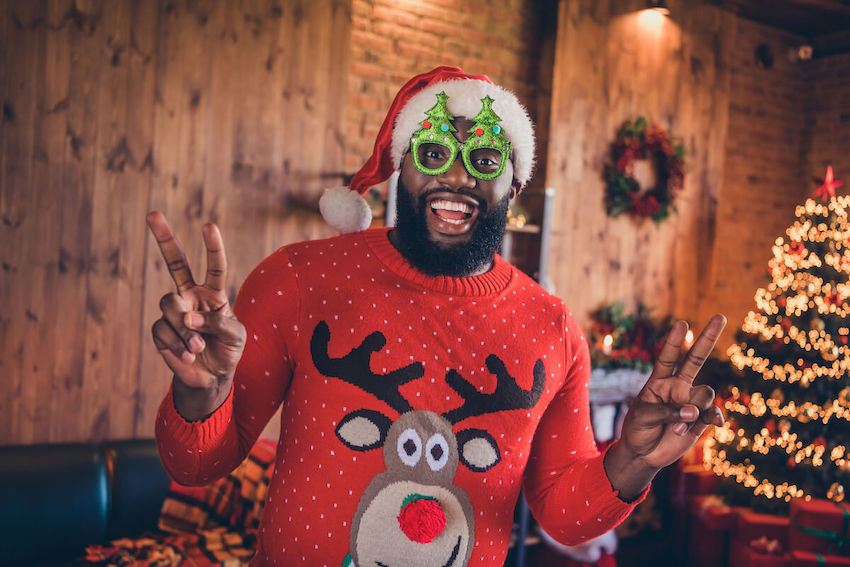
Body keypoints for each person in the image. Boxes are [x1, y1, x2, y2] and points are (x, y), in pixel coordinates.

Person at [148, 66, 726, 567]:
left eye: (483, 158)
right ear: (403, 164)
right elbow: (196, 464)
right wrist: (202, 392)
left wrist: (631, 461)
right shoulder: (297, 279)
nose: (456, 177)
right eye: (432, 153)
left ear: (514, 182)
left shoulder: (553, 328)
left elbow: (566, 518)